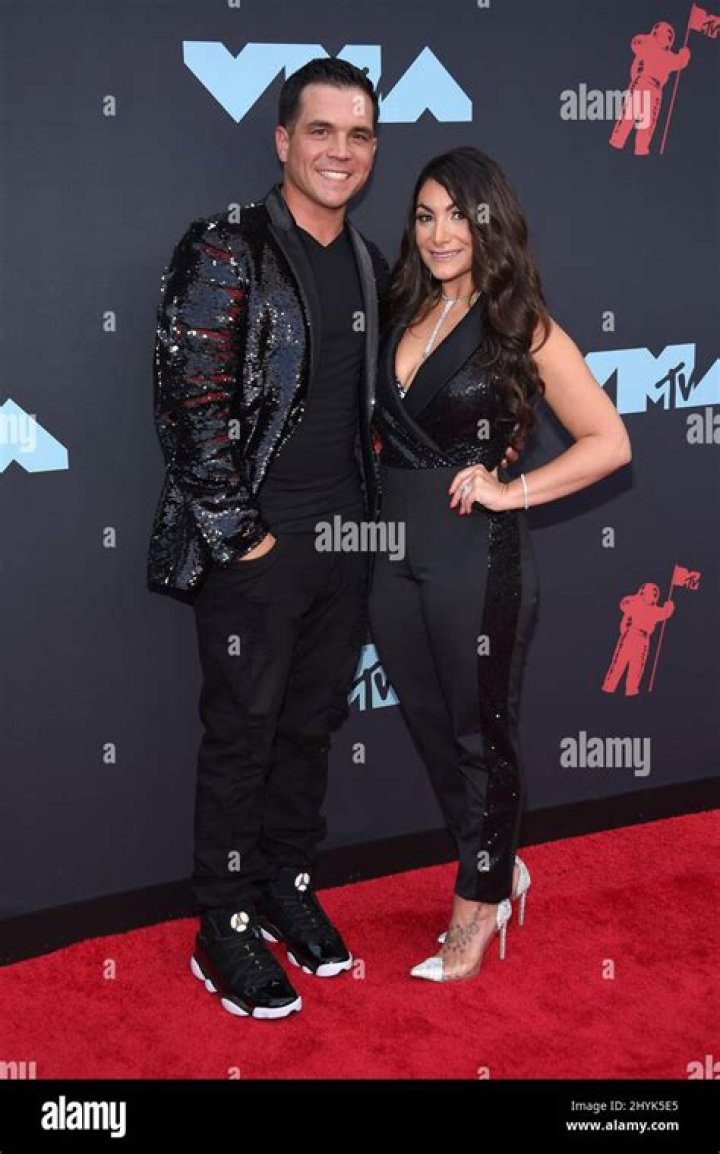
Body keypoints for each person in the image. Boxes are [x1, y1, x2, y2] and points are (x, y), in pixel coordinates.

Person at [147, 59, 390, 1019]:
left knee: (311, 726)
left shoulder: (369, 260)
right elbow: (190, 404)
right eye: (321, 130)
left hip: (344, 543)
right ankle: (224, 921)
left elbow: (376, 404)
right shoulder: (226, 246)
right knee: (242, 737)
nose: (340, 150)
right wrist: (240, 537)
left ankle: (285, 885)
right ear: (284, 139)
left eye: (359, 134)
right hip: (256, 550)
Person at [368, 146, 632, 983]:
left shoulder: (522, 324)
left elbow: (609, 443)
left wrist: (511, 490)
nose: (441, 233)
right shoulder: (402, 305)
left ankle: (478, 904)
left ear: (493, 221)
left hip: (477, 561)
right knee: (430, 728)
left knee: (482, 735)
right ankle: (499, 863)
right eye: (425, 216)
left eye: (460, 214)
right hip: (392, 557)